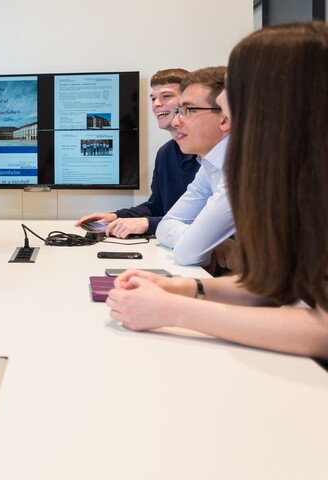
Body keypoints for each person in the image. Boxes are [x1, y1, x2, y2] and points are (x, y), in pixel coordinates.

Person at [107, 21, 328, 358]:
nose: (226, 113)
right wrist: (178, 287)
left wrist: (173, 309)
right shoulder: (288, 176)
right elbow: (274, 288)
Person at [75, 69, 199, 238]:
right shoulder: (165, 153)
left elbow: (204, 220)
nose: (156, 104)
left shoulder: (207, 153)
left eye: (166, 96)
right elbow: (157, 207)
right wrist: (115, 216)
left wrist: (149, 224)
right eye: (153, 98)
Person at [154, 66, 235, 269]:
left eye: (188, 110)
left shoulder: (243, 169)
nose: (176, 120)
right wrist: (203, 240)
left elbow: (187, 253)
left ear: (225, 118)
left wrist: (199, 241)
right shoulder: (210, 164)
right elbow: (165, 225)